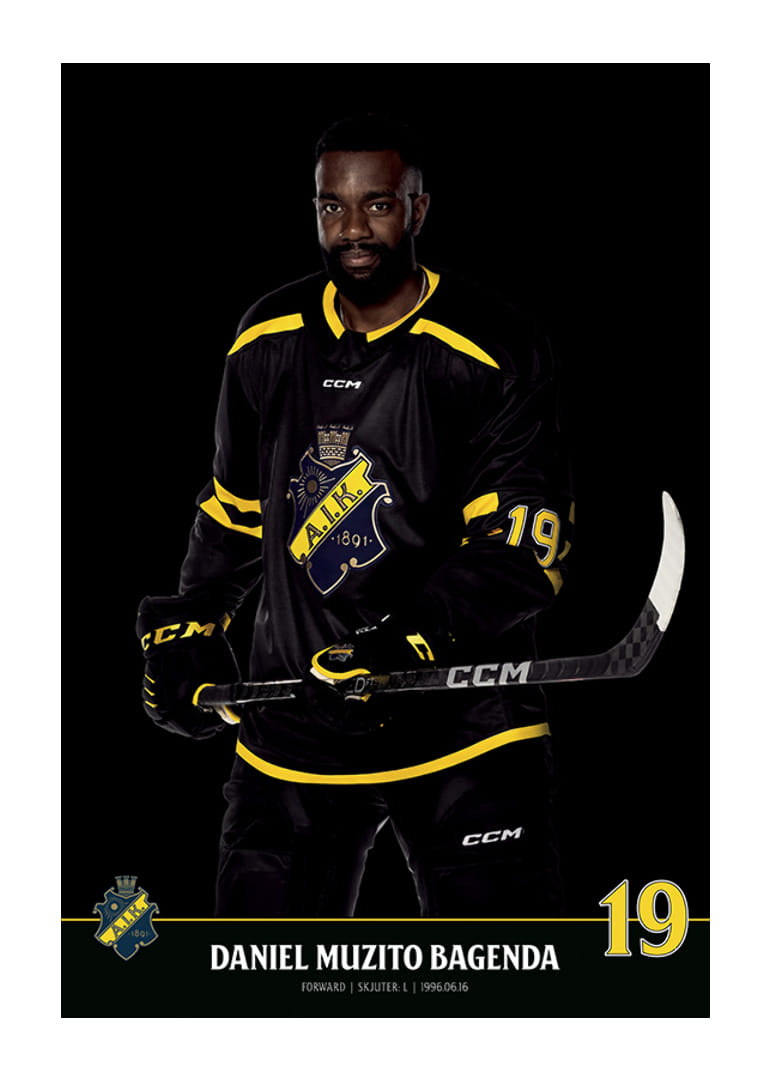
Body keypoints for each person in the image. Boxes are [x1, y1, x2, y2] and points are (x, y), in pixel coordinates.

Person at [136, 113, 573, 918]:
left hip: (463, 731)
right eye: (331, 207)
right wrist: (189, 626)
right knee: (252, 980)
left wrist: (405, 641)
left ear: (417, 208)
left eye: (376, 204)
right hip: (292, 733)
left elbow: (522, 548)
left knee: (500, 978)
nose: (352, 231)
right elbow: (234, 515)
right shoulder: (266, 338)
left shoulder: (492, 344)